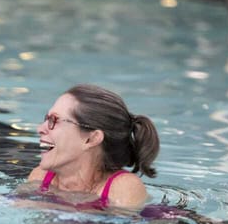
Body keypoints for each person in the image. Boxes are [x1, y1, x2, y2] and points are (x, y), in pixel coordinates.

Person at [27, 84, 159, 210]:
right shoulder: (40, 177)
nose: (40, 128)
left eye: (54, 120)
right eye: (46, 118)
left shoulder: (122, 188)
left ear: (91, 139)